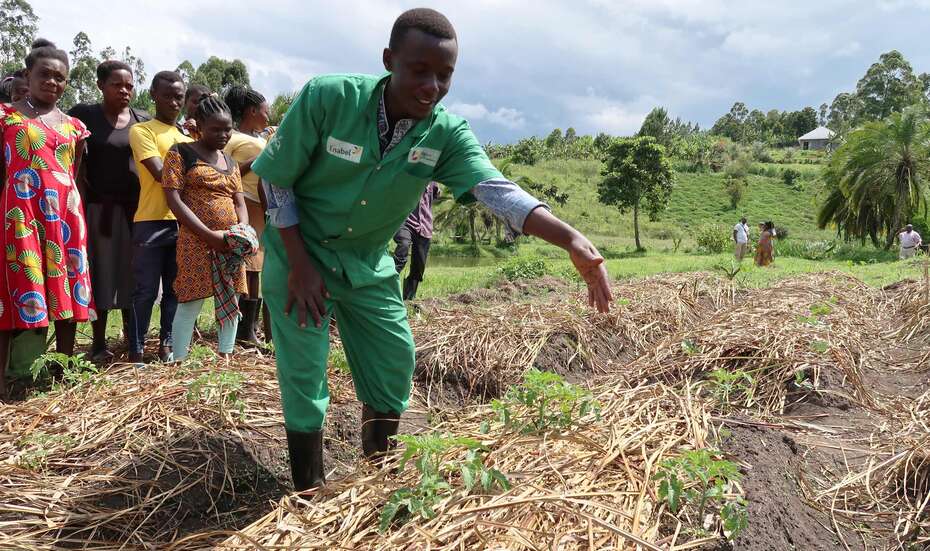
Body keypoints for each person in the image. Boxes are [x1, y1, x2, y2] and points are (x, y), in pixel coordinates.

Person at [252, 8, 612, 491]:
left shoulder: (445, 133)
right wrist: (298, 263)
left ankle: (375, 478)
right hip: (300, 253)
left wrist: (570, 237)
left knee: (394, 360)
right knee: (305, 368)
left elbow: (495, 189)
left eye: (445, 76)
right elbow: (275, 183)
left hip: (367, 261)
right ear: (389, 60)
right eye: (420, 71)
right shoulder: (329, 98)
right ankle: (308, 492)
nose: (432, 87)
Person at [0, 40, 94, 397]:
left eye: (60, 78)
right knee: (14, 290)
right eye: (45, 74)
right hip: (19, 214)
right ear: (27, 74)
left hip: (65, 219)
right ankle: (4, 382)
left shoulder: (74, 126)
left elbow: (74, 172)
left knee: (67, 291)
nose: (52, 82)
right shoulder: (6, 116)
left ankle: (64, 373)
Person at [69, 61, 151, 361]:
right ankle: (99, 343)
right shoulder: (84, 115)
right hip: (99, 210)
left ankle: (134, 341)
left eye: (129, 85)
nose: (125, 90)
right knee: (100, 272)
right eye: (117, 84)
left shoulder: (141, 120)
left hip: (136, 211)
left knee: (134, 273)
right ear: (101, 85)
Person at [163, 95, 254, 362]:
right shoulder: (181, 153)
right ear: (199, 126)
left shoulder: (230, 162)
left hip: (231, 244)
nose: (224, 134)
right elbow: (174, 199)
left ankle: (225, 356)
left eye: (228, 128)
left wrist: (241, 232)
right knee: (191, 300)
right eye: (216, 129)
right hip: (196, 241)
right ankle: (179, 361)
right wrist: (209, 235)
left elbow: (239, 200)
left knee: (231, 297)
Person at [127, 72, 193, 363]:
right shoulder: (143, 131)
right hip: (151, 220)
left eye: (179, 96)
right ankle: (137, 349)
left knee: (175, 290)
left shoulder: (187, 138)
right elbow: (160, 172)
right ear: (153, 94)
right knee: (146, 290)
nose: (173, 102)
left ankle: (166, 344)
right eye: (167, 95)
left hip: (182, 223)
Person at [224, 85, 270, 345]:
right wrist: (258, 162)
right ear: (252, 111)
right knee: (249, 267)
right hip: (246, 205)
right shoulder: (232, 138)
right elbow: (226, 174)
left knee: (256, 268)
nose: (268, 115)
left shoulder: (259, 137)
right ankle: (244, 329)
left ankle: (249, 327)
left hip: (261, 206)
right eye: (265, 110)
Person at [393, 182, 440, 299]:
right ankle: (385, 286)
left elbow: (437, 194)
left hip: (424, 225)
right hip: (405, 221)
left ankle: (409, 298)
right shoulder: (408, 175)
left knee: (419, 265)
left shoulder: (433, 182)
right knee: (403, 247)